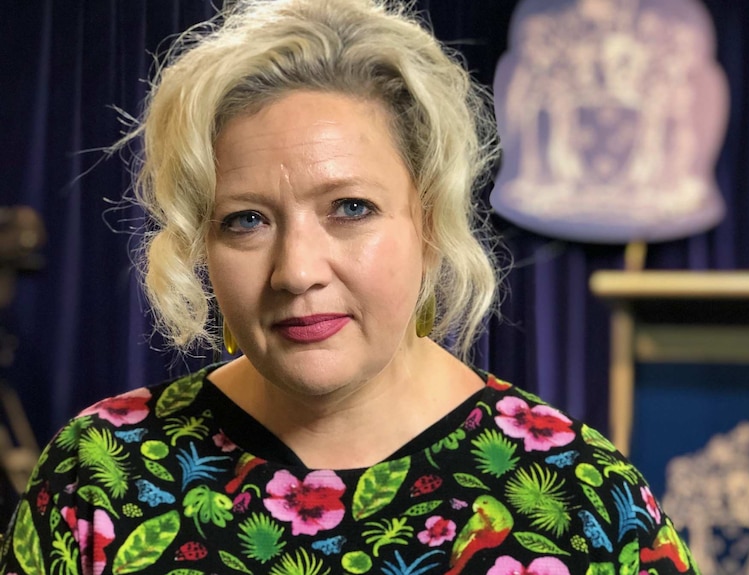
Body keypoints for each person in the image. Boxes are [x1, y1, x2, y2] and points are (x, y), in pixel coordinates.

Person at [0, 1, 699, 573]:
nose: (298, 271)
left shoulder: (584, 503)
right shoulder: (98, 477)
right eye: (246, 220)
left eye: (351, 209)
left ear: (429, 220)